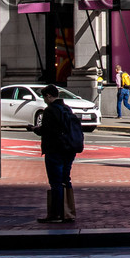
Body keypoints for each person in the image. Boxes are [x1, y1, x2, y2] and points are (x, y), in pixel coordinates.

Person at [31, 84, 84, 223]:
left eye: (44, 97)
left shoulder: (50, 110)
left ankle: (56, 214)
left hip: (55, 150)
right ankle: (68, 212)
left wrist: (36, 129)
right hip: (69, 149)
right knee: (66, 180)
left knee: (55, 182)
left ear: (49, 96)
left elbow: (47, 130)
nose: (44, 100)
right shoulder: (66, 108)